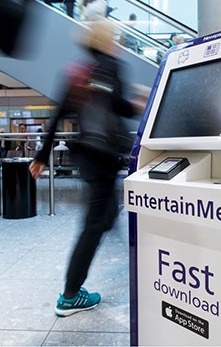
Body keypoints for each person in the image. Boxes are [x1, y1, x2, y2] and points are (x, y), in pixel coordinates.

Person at [29, 19, 146, 317]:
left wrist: (42, 156)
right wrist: (139, 102)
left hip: (86, 155)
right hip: (104, 155)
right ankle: (70, 296)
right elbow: (116, 104)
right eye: (115, 38)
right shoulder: (111, 65)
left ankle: (106, 227)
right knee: (93, 225)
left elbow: (57, 115)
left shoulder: (77, 72)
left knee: (104, 215)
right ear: (107, 41)